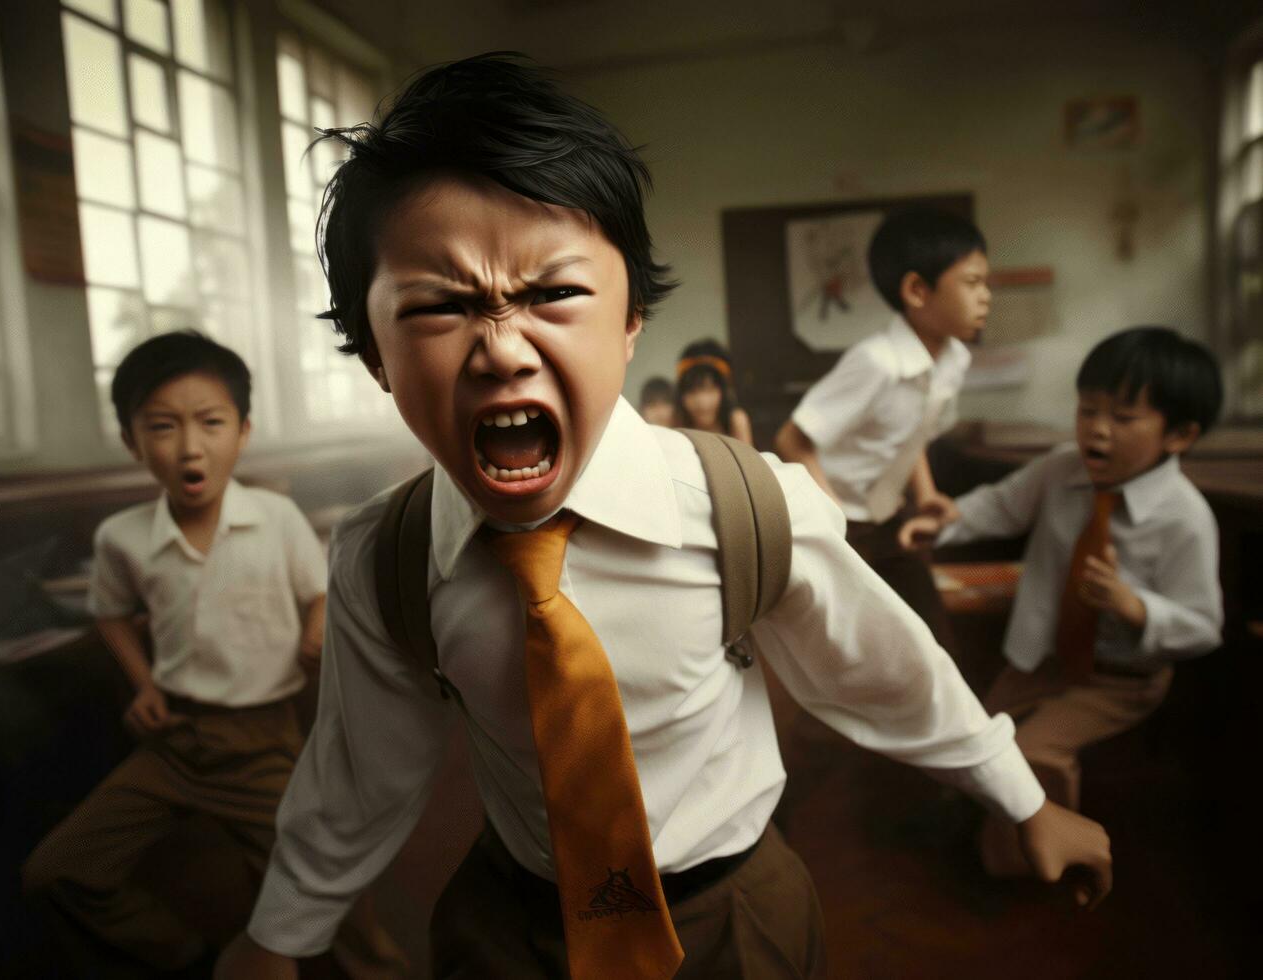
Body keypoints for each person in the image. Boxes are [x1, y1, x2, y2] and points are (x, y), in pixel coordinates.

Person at [216, 54, 1111, 980]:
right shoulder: (385, 558)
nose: (501, 349)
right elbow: (360, 767)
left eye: (554, 293)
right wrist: (281, 930)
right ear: (374, 357)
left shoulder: (743, 510)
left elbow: (881, 668)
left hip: (733, 916)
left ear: (631, 317)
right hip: (513, 925)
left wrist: (1021, 799)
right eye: (440, 306)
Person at [21, 332, 399, 978]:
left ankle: (382, 972)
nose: (190, 447)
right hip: (173, 743)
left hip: (261, 744)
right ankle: (194, 958)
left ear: (243, 431)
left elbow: (320, 595)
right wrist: (142, 684)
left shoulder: (276, 518)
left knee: (324, 880)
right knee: (54, 873)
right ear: (131, 442)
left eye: (211, 423)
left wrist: (315, 627)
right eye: (163, 427)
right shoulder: (123, 538)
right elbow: (110, 614)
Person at [898, 326, 1223, 875]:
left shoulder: (1185, 518)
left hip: (1119, 678)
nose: (1096, 429)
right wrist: (942, 522)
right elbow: (999, 506)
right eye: (1087, 409)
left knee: (1032, 754)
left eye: (1122, 418)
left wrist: (1134, 606)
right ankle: (969, 816)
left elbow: (1203, 625)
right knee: (973, 732)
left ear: (1180, 435)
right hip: (1043, 657)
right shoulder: (1060, 469)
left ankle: (1018, 867)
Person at [774, 207, 990, 655]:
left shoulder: (954, 360)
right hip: (841, 525)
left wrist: (925, 494)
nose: (986, 296)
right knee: (846, 657)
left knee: (931, 645)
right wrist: (833, 516)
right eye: (971, 283)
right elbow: (792, 440)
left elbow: (916, 435)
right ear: (917, 290)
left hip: (889, 521)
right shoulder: (876, 362)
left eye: (985, 283)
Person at [674, 339, 753, 445]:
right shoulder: (677, 423)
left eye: (709, 389)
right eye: (692, 392)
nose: (701, 401)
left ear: (724, 391)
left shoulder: (736, 421)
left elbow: (747, 461)